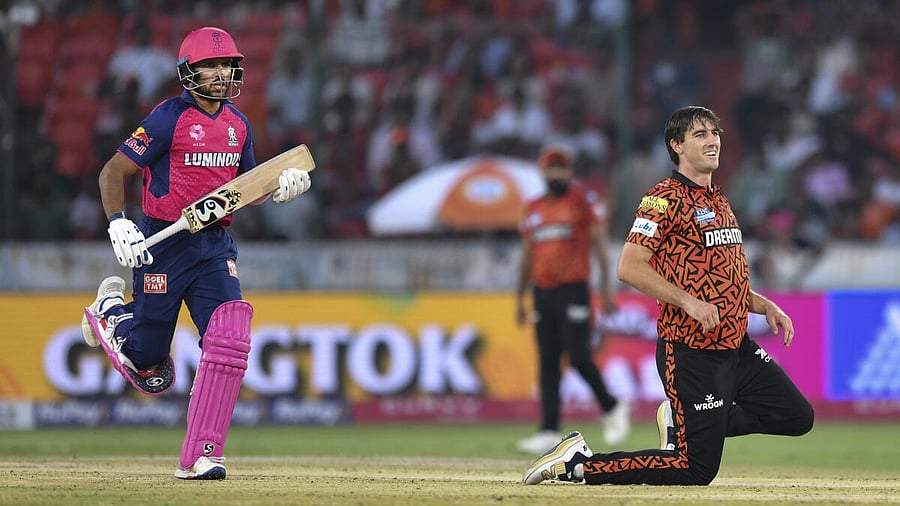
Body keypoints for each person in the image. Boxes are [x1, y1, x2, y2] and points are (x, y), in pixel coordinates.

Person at [523, 106, 814, 486]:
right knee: (696, 470)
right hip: (692, 354)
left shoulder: (718, 200)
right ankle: (577, 462)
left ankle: (683, 423)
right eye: (700, 135)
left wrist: (763, 305)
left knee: (796, 416)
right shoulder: (663, 199)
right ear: (676, 145)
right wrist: (689, 303)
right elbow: (629, 267)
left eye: (715, 132)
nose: (713, 141)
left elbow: (725, 279)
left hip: (736, 348)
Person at [79, 27, 311, 481]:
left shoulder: (239, 126)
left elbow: (242, 191)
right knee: (148, 362)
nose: (221, 73)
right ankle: (112, 313)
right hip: (162, 244)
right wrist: (117, 222)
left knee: (231, 337)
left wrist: (278, 190)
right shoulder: (169, 118)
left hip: (213, 249)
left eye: (227, 65)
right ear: (189, 72)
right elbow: (113, 170)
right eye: (210, 65)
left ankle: (202, 453)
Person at [515, 147, 630, 455]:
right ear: (543, 173)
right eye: (551, 169)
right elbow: (528, 256)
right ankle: (549, 429)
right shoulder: (533, 208)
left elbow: (600, 249)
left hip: (574, 289)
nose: (556, 175)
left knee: (578, 356)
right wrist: (520, 297)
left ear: (569, 172)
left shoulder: (581, 201)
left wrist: (606, 291)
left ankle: (612, 406)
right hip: (543, 291)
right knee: (548, 361)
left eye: (561, 169)